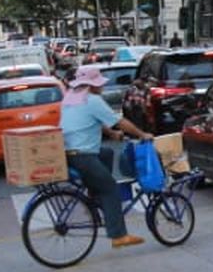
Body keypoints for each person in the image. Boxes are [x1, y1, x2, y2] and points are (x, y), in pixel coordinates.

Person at [60, 63, 150, 250]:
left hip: (68, 154)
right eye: (99, 83)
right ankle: (118, 235)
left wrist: (111, 134)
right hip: (84, 156)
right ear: (92, 85)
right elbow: (120, 121)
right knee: (110, 188)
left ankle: (95, 197)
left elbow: (91, 121)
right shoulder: (92, 100)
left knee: (107, 153)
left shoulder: (70, 97)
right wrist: (142, 134)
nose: (102, 86)